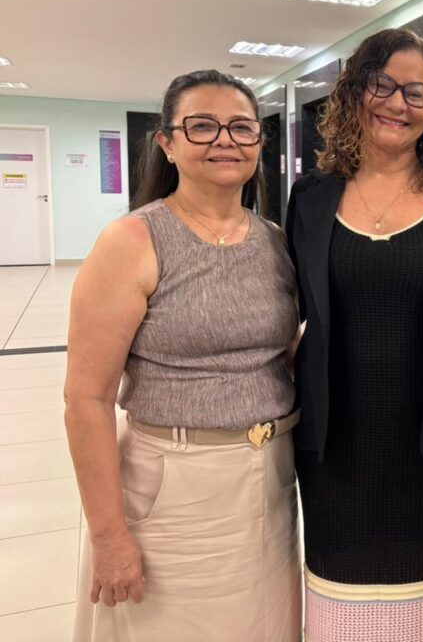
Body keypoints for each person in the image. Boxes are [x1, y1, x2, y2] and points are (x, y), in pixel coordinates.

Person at [66, 70, 301, 641]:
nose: (225, 140)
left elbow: (280, 355)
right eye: (202, 126)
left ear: (259, 141)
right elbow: (86, 399)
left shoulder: (274, 240)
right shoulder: (133, 241)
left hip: (271, 474)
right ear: (167, 144)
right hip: (174, 483)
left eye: (241, 127)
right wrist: (108, 535)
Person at [286, 28, 423, 642]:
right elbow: (293, 302)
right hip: (336, 443)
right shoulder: (311, 197)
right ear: (355, 92)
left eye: (416, 92)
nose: (398, 103)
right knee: (340, 601)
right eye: (383, 85)